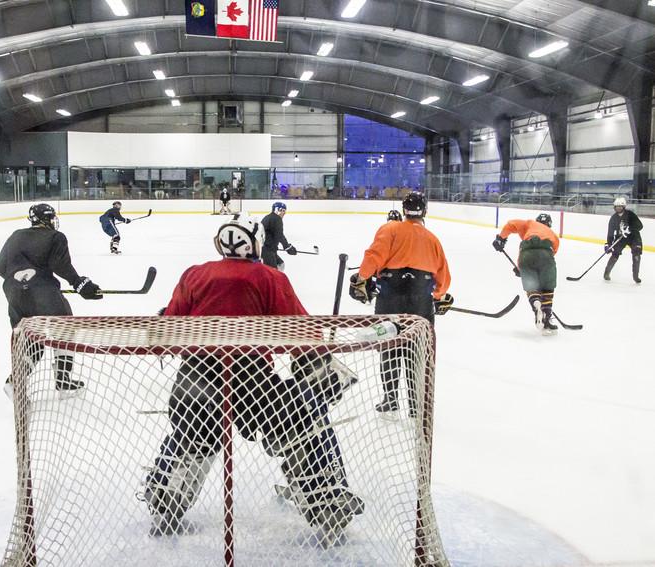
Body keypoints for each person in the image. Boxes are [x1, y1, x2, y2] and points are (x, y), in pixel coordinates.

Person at [142, 214, 363, 541]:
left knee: (192, 433)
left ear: (222, 243)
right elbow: (300, 330)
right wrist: (319, 364)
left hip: (194, 377)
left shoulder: (195, 275)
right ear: (256, 244)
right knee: (300, 425)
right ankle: (325, 497)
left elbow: (169, 328)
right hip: (252, 381)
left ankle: (167, 493)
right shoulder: (270, 277)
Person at [349, 192, 453, 417]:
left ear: (404, 210)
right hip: (420, 301)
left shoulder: (390, 229)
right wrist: (438, 296)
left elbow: (373, 256)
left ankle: (391, 401)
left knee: (389, 347)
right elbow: (443, 278)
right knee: (416, 351)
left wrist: (361, 279)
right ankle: (417, 406)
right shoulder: (432, 239)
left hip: (390, 296)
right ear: (424, 211)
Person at [0, 203, 102, 395]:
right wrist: (80, 284)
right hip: (42, 293)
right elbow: (60, 264)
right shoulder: (55, 236)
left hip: (14, 294)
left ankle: (13, 382)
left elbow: (0, 267)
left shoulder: (15, 235)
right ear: (48, 219)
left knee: (33, 342)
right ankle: (63, 381)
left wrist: (22, 282)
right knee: (66, 330)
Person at [493, 213, 559, 335]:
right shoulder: (554, 236)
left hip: (526, 255)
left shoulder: (529, 224)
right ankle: (546, 318)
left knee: (531, 287)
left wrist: (501, 238)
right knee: (547, 287)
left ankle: (536, 304)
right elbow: (551, 254)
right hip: (546, 255)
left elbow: (510, 224)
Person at [604, 197, 643, 283]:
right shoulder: (613, 218)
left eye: (620, 206)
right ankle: (607, 273)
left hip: (634, 237)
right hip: (621, 238)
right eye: (616, 206)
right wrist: (609, 244)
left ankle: (635, 276)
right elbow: (610, 232)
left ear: (624, 207)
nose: (618, 208)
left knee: (636, 254)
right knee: (615, 253)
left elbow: (640, 226)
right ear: (614, 207)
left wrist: (630, 229)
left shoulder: (630, 214)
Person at [261, 202, 297, 271]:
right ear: (276, 210)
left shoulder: (268, 217)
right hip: (267, 250)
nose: (284, 213)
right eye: (282, 210)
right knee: (272, 273)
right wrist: (287, 247)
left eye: (284, 211)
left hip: (266, 249)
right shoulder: (277, 219)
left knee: (281, 264)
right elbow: (279, 235)